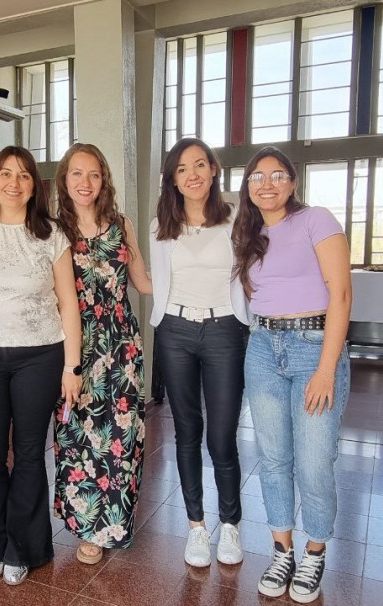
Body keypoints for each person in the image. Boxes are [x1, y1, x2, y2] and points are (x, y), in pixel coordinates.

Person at [0, 146, 82, 586]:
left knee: (29, 454)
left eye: (24, 175)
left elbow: (69, 304)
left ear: (35, 184)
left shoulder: (51, 233)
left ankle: (23, 546)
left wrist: (72, 367)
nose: (14, 182)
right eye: (6, 174)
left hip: (39, 355)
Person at [232, 146, 351, 603]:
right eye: (257, 177)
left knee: (315, 460)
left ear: (293, 182)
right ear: (248, 187)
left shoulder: (316, 219)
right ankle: (282, 550)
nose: (267, 183)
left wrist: (326, 369)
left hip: (313, 347)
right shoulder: (248, 233)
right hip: (262, 348)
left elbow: (341, 295)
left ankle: (315, 550)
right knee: (275, 457)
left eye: (277, 175)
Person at [149, 137, 249, 568]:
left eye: (200, 165)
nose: (192, 174)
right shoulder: (161, 226)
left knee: (222, 434)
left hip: (225, 328)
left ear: (213, 170)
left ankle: (230, 524)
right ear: (172, 179)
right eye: (182, 169)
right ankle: (196, 526)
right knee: (186, 430)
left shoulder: (236, 220)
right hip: (175, 330)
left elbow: (254, 272)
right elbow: (154, 277)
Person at [51, 143, 152, 565]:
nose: (85, 183)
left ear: (103, 179)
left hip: (122, 345)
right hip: (77, 345)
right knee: (80, 438)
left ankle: (116, 523)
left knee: (121, 438)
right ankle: (86, 527)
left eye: (93, 174)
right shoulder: (54, 230)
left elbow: (144, 283)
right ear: (64, 180)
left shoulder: (120, 225)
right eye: (76, 174)